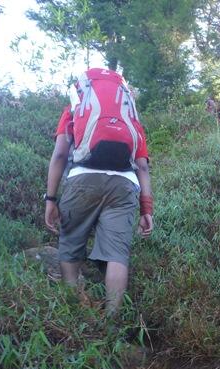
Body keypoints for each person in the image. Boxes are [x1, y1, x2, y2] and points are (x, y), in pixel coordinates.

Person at [44, 73, 154, 317]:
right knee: (117, 254)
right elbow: (143, 167)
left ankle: (74, 314)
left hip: (82, 179)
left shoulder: (75, 109)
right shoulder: (131, 117)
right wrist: (147, 209)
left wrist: (50, 199)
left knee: (71, 245)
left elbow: (60, 155)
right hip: (124, 184)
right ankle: (111, 323)